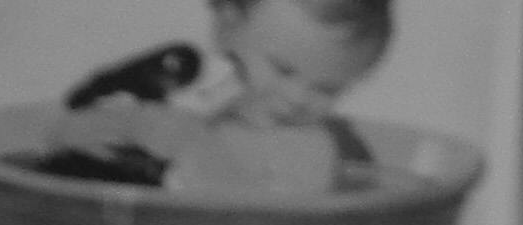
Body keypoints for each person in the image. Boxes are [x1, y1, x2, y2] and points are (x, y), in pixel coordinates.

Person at [48, 0, 392, 186]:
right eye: (283, 69)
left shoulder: (334, 148)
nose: (299, 97)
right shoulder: (182, 106)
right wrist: (137, 128)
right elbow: (63, 132)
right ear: (227, 25)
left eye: (327, 88)